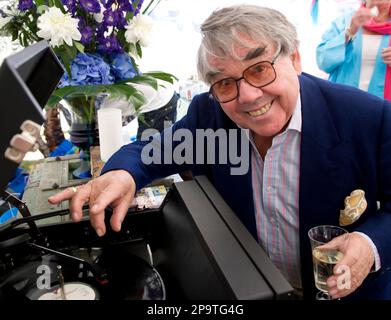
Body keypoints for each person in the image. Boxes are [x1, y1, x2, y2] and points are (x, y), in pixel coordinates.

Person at [49, 5, 391, 300]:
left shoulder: (367, 118)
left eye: (259, 68)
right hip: (246, 289)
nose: (248, 96)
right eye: (225, 82)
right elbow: (150, 151)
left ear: (295, 58)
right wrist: (119, 174)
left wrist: (369, 242)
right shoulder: (210, 114)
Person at [316, 0, 391, 101]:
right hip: (343, 103)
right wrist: (349, 32)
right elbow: (323, 61)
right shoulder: (346, 21)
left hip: (382, 108)